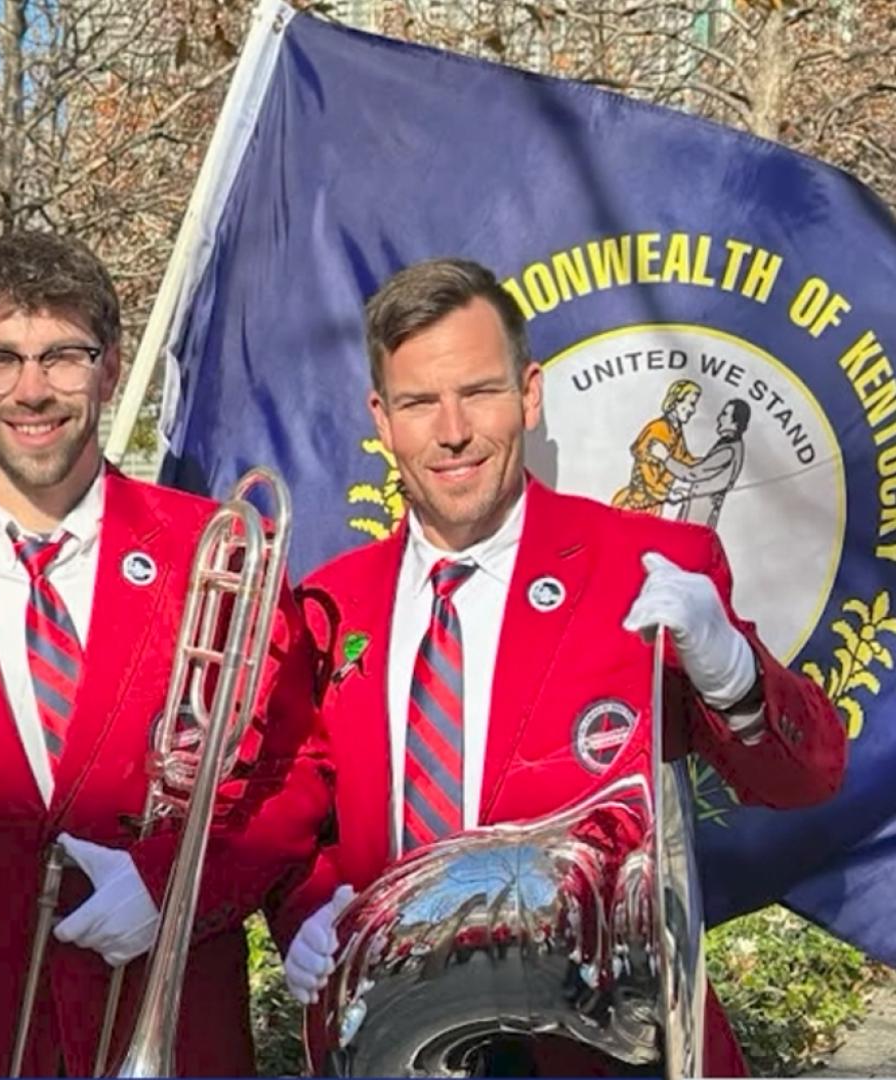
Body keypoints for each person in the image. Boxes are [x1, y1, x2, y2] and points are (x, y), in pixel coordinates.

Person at [283, 259, 845, 1075]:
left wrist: (733, 673)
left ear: (530, 393)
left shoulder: (652, 566)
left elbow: (807, 779)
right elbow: (296, 819)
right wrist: (307, 908)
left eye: (478, 391)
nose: (451, 430)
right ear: (382, 417)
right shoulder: (330, 605)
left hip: (609, 1051)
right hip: (396, 1040)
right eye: (417, 403)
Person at [0, 232, 335, 1076]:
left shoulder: (215, 552)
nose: (32, 391)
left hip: (170, 1026)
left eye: (64, 356)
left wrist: (173, 887)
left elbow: (294, 772)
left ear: (108, 371)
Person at [657, 398, 751, 529]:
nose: (719, 418)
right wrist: (688, 492)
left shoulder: (729, 450)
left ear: (735, 423)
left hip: (700, 515)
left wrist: (665, 458)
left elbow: (693, 474)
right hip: (697, 510)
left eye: (724, 415)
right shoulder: (729, 445)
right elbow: (709, 476)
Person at [611, 377, 700, 511]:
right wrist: (668, 495)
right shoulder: (658, 429)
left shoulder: (676, 430)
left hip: (654, 505)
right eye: (691, 403)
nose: (693, 410)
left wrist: (710, 463)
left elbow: (684, 458)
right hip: (638, 505)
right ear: (676, 402)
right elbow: (646, 473)